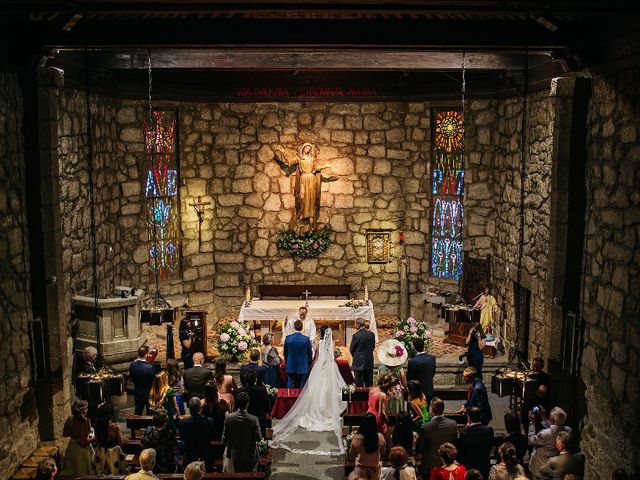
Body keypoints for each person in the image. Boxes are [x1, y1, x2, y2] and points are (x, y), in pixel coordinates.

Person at [272, 327, 347, 455]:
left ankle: (316, 413)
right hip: (330, 368)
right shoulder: (332, 343)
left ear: (321, 334)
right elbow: (333, 357)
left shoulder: (320, 343)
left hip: (321, 368)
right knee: (329, 389)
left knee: (317, 390)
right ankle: (328, 411)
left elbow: (316, 356)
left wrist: (313, 366)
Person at [274, 142, 332, 235]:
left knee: (312, 199)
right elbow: (290, 161)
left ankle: (311, 222)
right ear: (303, 149)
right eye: (306, 148)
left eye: (309, 148)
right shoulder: (299, 158)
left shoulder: (312, 159)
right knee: (302, 199)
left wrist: (325, 166)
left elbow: (316, 167)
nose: (307, 150)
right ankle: (301, 219)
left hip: (312, 179)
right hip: (304, 179)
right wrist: (283, 151)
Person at [416, 397, 458, 479]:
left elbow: (419, 448)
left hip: (430, 466)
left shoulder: (426, 427)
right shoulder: (453, 424)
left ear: (431, 409)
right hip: (449, 464)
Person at [222, 391, 262, 473]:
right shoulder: (254, 419)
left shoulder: (229, 418)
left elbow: (224, 440)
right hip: (250, 455)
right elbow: (259, 438)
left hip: (234, 455)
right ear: (247, 404)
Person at [528, 407, 572, 479]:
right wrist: (544, 417)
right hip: (556, 465)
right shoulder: (568, 430)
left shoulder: (544, 434)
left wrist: (531, 423)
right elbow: (554, 428)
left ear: (552, 419)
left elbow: (531, 440)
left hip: (541, 465)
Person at [178, 397, 217, 471]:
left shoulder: (183, 423)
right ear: (200, 408)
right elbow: (212, 436)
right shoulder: (209, 421)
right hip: (205, 455)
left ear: (189, 408)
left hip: (190, 456)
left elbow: (182, 437)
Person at [457, 407, 494, 480]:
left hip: (469, 469)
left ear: (468, 417)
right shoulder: (489, 431)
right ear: (480, 417)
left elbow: (460, 455)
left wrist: (465, 428)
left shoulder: (464, 434)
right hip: (484, 467)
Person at [348, 412, 386, 480]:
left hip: (360, 473)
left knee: (350, 476)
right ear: (374, 424)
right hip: (375, 473)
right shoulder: (380, 437)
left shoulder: (357, 437)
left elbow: (351, 454)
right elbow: (383, 453)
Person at [61, 400, 95, 475]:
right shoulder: (85, 422)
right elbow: (83, 443)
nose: (87, 410)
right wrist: (92, 436)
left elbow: (65, 434)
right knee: (83, 473)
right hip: (82, 452)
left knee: (72, 472)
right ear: (83, 410)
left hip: (72, 448)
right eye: (86, 408)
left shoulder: (70, 418)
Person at [93, 403, 129, 475]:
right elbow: (120, 443)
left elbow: (97, 440)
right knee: (114, 472)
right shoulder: (115, 427)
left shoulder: (97, 426)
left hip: (101, 452)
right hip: (113, 453)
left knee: (101, 472)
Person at [235, 369, 271, 437]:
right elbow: (267, 404)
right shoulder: (262, 390)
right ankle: (267, 441)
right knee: (268, 421)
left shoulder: (240, 391)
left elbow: (236, 406)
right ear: (255, 380)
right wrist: (266, 412)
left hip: (243, 417)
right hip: (259, 416)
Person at [141, 409, 177, 474]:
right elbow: (174, 448)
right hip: (166, 465)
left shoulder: (148, 430)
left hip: (151, 464)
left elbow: (142, 445)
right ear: (165, 422)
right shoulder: (169, 433)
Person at [377, 338, 408, 414]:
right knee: (397, 410)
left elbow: (378, 381)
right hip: (397, 392)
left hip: (385, 391)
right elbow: (404, 383)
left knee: (386, 409)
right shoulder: (400, 369)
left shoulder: (381, 367)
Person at [284, 319, 313, 388]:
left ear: (294, 327)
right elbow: (309, 353)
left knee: (290, 383)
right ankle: (303, 399)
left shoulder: (288, 338)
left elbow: (285, 353)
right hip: (303, 365)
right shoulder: (306, 339)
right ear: (302, 327)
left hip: (291, 364)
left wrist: (287, 362)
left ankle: (289, 398)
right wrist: (308, 363)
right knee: (303, 386)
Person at [406, 338, 436, 403]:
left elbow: (409, 378)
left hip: (416, 392)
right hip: (428, 389)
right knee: (428, 410)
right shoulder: (431, 359)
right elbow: (433, 373)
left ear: (414, 347)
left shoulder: (412, 361)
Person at [129, 346, 156, 415]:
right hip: (149, 393)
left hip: (137, 392)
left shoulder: (132, 365)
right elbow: (154, 380)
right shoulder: (150, 367)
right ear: (146, 354)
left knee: (137, 412)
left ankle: (137, 425)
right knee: (150, 414)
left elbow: (131, 377)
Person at [350, 317, 376, 387]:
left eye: (355, 324)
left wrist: (356, 356)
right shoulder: (371, 334)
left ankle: (360, 398)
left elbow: (352, 349)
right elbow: (373, 347)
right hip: (369, 362)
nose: (354, 325)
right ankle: (369, 398)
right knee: (369, 385)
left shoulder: (356, 335)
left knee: (359, 386)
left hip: (358, 363)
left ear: (358, 324)